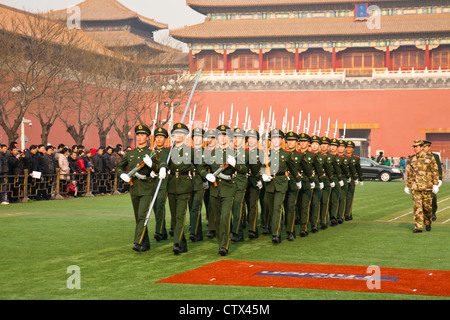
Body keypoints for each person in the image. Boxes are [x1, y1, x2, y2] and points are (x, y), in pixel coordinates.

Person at [116, 124, 166, 252]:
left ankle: (137, 242)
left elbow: (158, 168)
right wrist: (122, 175)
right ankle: (146, 243)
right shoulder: (130, 153)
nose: (139, 138)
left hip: (147, 186)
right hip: (134, 187)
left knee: (142, 215)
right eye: (138, 135)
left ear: (147, 138)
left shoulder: (152, 153)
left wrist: (151, 164)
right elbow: (119, 167)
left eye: (142, 135)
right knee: (138, 216)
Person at [200, 124, 244, 255]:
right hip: (215, 189)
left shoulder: (235, 153)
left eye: (225, 135)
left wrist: (236, 165)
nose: (222, 138)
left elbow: (245, 170)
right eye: (220, 135)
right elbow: (200, 167)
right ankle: (221, 242)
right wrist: (205, 175)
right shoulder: (210, 153)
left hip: (228, 188)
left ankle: (224, 245)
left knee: (225, 217)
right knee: (218, 219)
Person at [262, 129, 303, 243]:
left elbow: (293, 169)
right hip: (269, 183)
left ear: (281, 140)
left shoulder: (286, 154)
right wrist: (263, 175)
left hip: (281, 182)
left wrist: (298, 180)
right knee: (271, 208)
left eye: (278, 138)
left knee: (277, 208)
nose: (275, 140)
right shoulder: (266, 154)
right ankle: (277, 230)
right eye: (273, 138)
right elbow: (261, 167)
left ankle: (277, 234)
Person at [404, 140, 439, 233]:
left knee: (427, 208)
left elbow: (435, 171)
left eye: (417, 146)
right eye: (414, 147)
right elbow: (409, 173)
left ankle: (428, 222)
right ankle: (418, 227)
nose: (415, 148)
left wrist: (436, 184)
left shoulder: (430, 158)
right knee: (417, 208)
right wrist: (407, 185)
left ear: (422, 147)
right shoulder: (412, 159)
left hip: (427, 187)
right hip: (416, 187)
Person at [151, 127, 170, 242]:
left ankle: (159, 231)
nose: (159, 140)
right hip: (152, 181)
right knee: (155, 205)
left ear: (165, 139)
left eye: (161, 137)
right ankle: (162, 230)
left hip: (163, 180)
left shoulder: (167, 151)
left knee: (160, 205)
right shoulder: (151, 151)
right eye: (157, 137)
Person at [423, 140, 443, 221]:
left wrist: (440, 179)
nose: (424, 148)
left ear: (429, 147)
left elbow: (439, 168)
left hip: (432, 180)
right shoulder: (419, 156)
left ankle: (433, 212)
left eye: (425, 147)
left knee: (433, 197)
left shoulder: (435, 156)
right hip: (422, 180)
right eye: (423, 147)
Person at [344, 141, 364, 221]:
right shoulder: (342, 157)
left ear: (353, 149)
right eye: (347, 147)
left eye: (350, 147)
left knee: (349, 197)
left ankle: (348, 214)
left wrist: (361, 178)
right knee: (342, 197)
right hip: (343, 178)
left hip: (352, 179)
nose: (348, 149)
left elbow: (358, 169)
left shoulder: (356, 158)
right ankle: (342, 213)